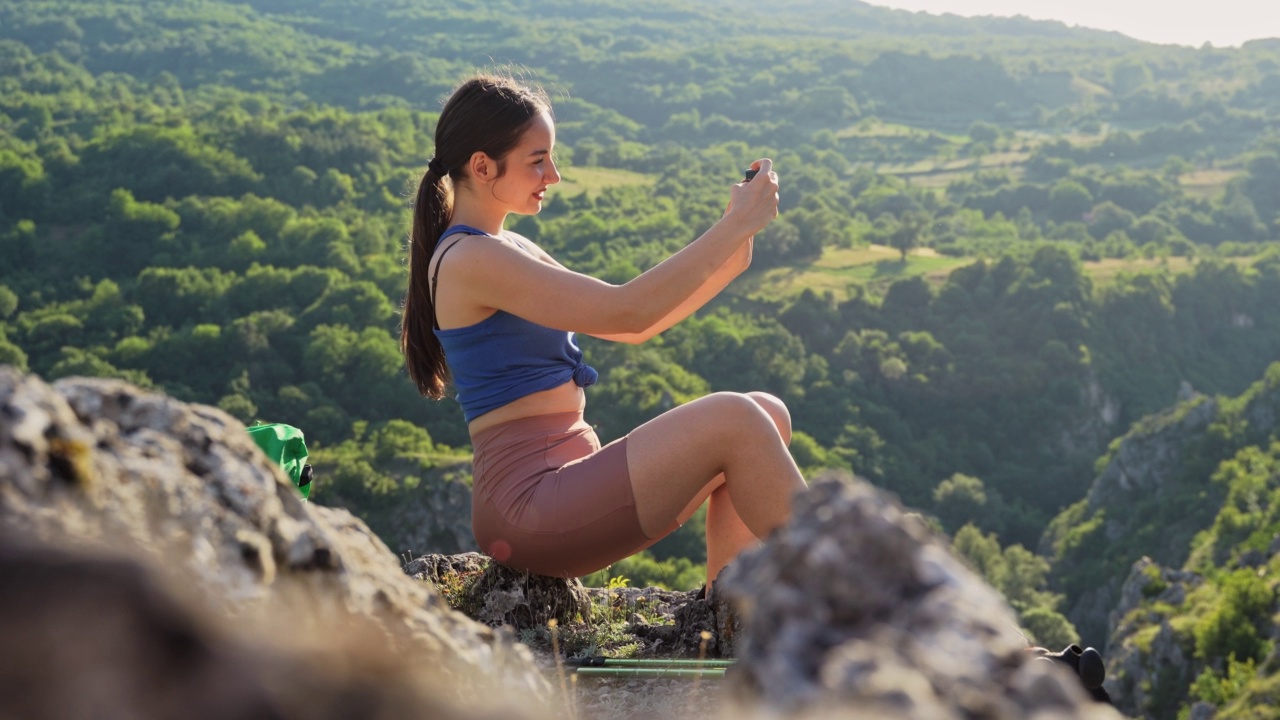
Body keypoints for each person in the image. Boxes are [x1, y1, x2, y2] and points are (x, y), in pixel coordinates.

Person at [400, 73, 806, 589]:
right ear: (482, 166)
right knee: (737, 418)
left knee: (766, 412)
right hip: (529, 507)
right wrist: (730, 229)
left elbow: (635, 328)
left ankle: (726, 611)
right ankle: (852, 590)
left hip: (565, 490)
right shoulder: (469, 258)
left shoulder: (508, 248)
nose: (554, 174)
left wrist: (735, 243)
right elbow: (626, 310)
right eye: (537, 160)